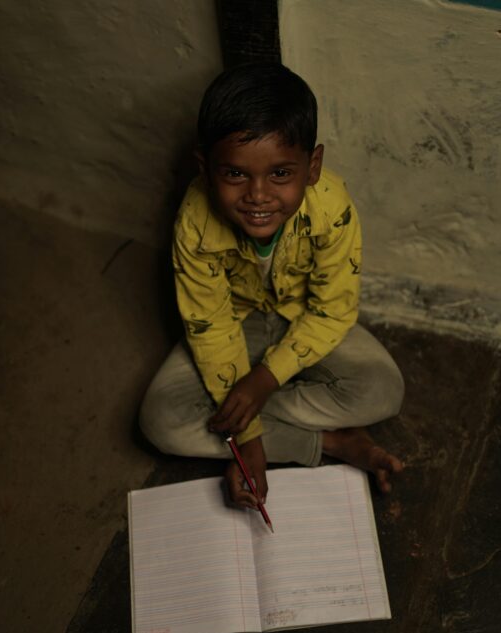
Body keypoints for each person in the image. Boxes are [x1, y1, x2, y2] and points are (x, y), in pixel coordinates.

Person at [139, 62, 404, 511]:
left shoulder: (331, 207)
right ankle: (329, 443)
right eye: (235, 174)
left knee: (382, 390)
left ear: (312, 166)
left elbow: (332, 312)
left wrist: (262, 382)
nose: (258, 195)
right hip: (231, 328)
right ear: (205, 170)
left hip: (302, 321)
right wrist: (249, 440)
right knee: (159, 422)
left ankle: (247, 412)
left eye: (281, 174)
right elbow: (213, 325)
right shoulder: (195, 222)